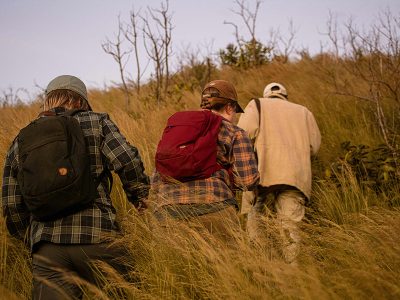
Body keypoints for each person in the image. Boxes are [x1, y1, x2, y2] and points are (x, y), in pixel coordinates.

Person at [1, 75, 150, 299]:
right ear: (81, 102)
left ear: (48, 101)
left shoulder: (23, 137)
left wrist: (30, 238)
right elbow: (127, 160)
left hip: (47, 248)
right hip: (98, 236)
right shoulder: (97, 122)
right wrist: (139, 197)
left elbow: (11, 203)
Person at [151, 80, 259, 241]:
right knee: (228, 265)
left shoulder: (180, 128)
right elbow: (248, 180)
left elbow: (156, 179)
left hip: (168, 213)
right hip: (215, 208)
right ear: (230, 107)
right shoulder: (235, 132)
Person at [237, 82, 321, 264]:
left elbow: (242, 135)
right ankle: (293, 273)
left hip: (263, 174)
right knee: (290, 229)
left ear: (267, 95)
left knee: (255, 218)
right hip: (295, 176)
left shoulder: (257, 104)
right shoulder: (304, 112)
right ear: (285, 96)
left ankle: (262, 265)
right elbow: (314, 148)